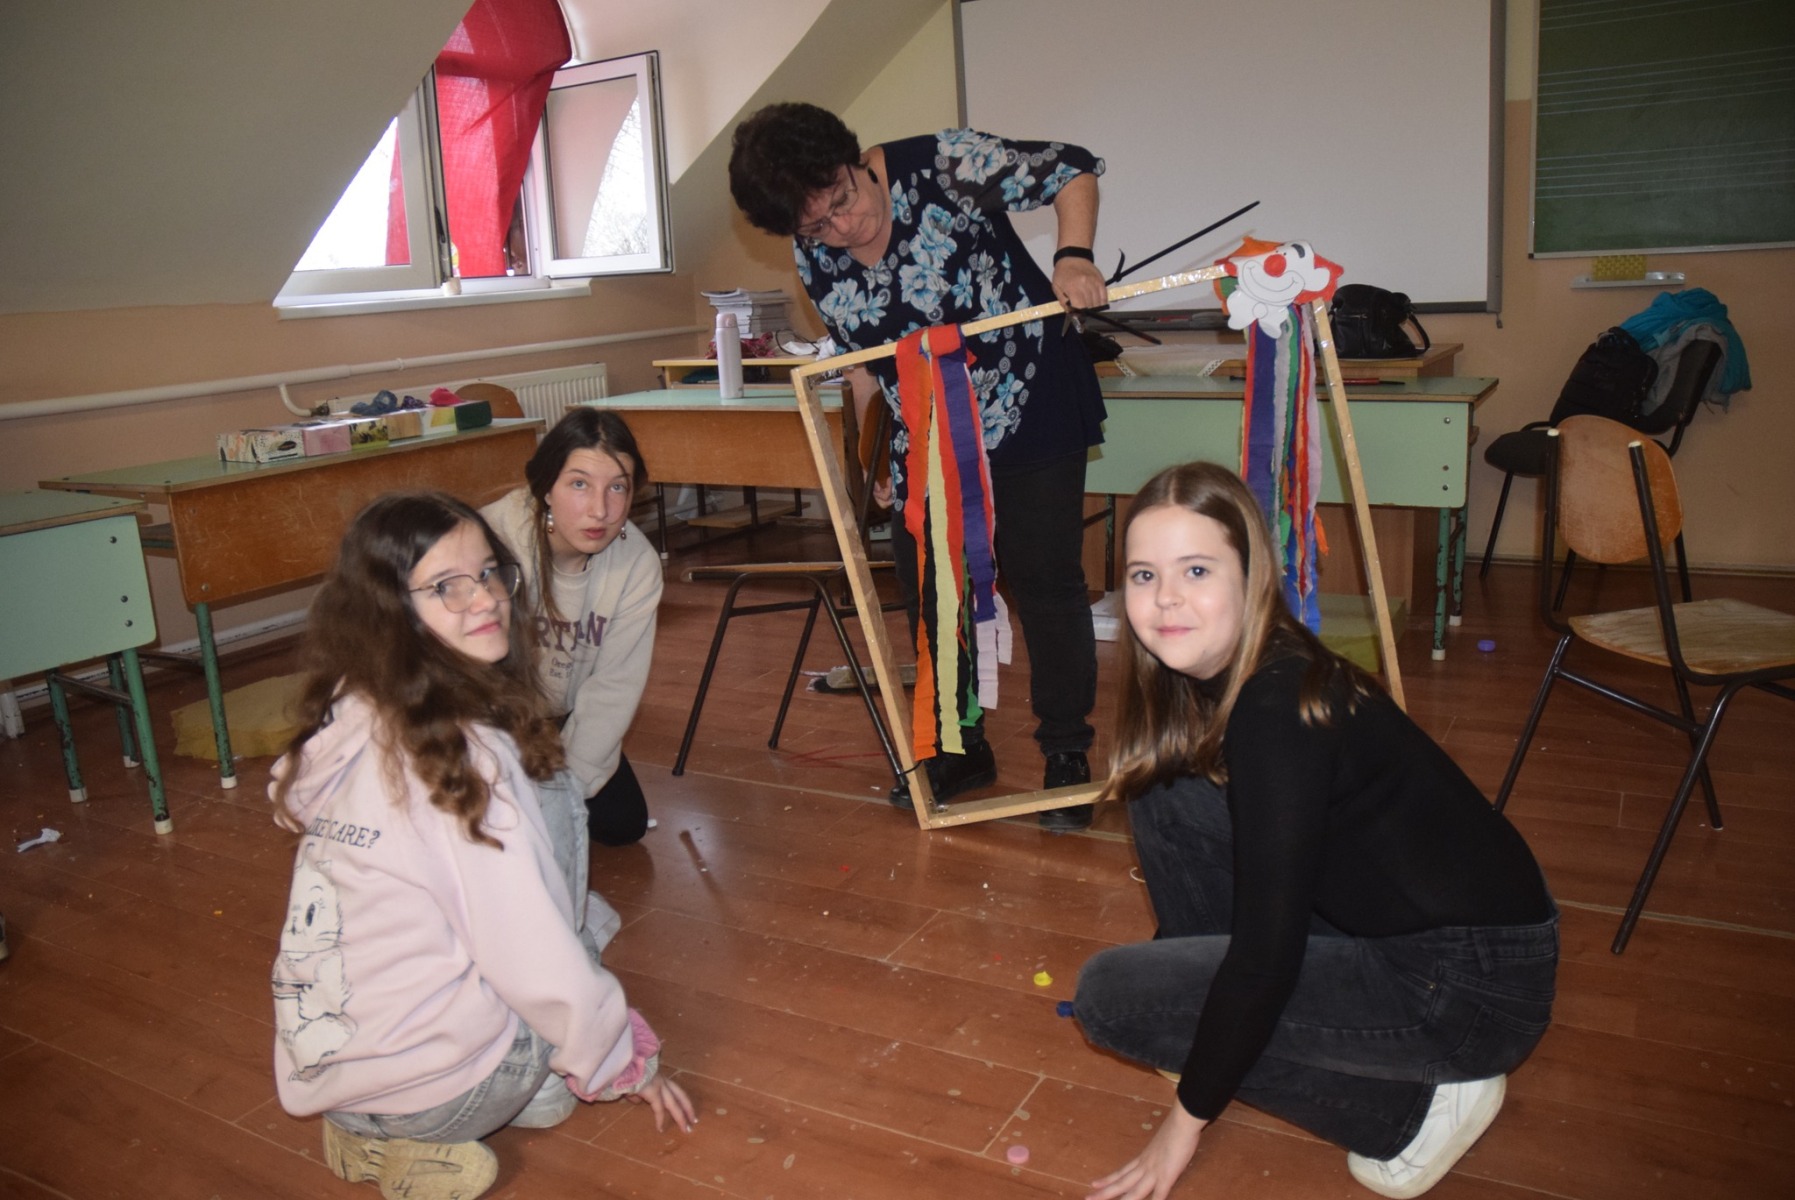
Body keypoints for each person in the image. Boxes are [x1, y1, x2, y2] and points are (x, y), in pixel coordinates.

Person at [1072, 463, 1557, 1200]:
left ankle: (1409, 1112)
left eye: (1195, 570)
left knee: (1110, 999)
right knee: (1166, 788)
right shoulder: (1255, 667)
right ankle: (1219, 1031)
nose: (1165, 597)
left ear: (1252, 578)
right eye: (1144, 575)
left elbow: (1265, 961)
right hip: (1437, 934)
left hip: (1466, 992)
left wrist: (1182, 1125)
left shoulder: (1277, 711)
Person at [270, 492, 694, 1200]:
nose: (485, 598)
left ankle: (368, 1130)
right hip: (433, 1093)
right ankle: (431, 1135)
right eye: (446, 585)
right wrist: (625, 1064)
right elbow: (532, 954)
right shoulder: (473, 763)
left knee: (534, 1011)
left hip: (331, 1069)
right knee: (556, 800)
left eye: (489, 571)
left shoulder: (351, 709)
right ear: (390, 612)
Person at [728, 102, 1110, 831]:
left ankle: (1066, 750)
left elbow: (1072, 170)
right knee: (932, 589)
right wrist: (874, 447)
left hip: (1029, 399)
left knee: (1043, 578)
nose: (842, 229)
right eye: (817, 227)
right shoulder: (813, 252)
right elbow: (865, 360)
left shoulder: (942, 164)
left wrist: (1072, 256)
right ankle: (959, 747)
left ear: (854, 161)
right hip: (927, 434)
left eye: (842, 200)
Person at [483, 409, 662, 847]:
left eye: (617, 487)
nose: (600, 510)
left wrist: (564, 796)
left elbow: (613, 690)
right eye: (579, 484)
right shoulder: (491, 542)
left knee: (623, 823)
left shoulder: (636, 564)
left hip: (558, 720)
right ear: (547, 487)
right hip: (489, 722)